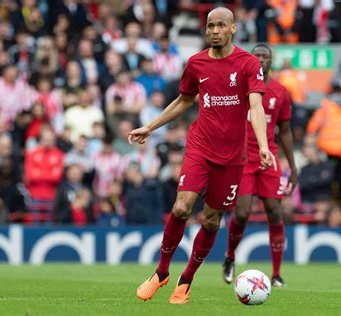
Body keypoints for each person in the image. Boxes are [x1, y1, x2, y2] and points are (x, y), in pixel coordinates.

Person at [129, 7, 274, 305]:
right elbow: (184, 100)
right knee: (181, 207)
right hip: (200, 146)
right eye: (210, 26)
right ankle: (161, 272)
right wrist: (151, 126)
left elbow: (256, 107)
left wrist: (262, 145)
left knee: (210, 221)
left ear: (233, 28)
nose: (215, 31)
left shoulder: (247, 63)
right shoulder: (195, 63)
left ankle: (186, 280)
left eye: (221, 25)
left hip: (233, 156)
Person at [221, 44, 297, 288]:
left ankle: (276, 274)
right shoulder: (238, 86)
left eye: (266, 56)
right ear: (250, 60)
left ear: (271, 61)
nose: (262, 60)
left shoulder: (281, 92)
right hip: (241, 159)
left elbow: (284, 131)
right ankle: (230, 256)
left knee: (275, 211)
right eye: (257, 56)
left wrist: (293, 167)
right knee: (241, 212)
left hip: (268, 158)